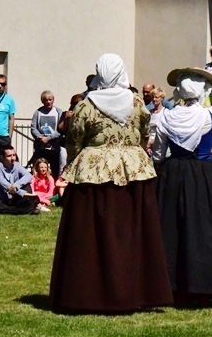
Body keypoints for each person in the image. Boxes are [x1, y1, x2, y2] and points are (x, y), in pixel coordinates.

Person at [50, 53, 172, 313]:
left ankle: (88, 292)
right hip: (133, 172)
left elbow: (74, 140)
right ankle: (136, 290)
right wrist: (130, 154)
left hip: (93, 173)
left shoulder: (86, 105)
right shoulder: (137, 102)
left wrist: (76, 163)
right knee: (132, 232)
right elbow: (143, 135)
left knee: (90, 235)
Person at [153, 67, 212, 302]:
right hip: (205, 175)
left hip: (174, 173)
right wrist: (210, 75)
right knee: (207, 227)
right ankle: (207, 282)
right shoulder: (210, 114)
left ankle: (173, 283)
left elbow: (158, 154)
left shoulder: (165, 116)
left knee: (172, 228)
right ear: (201, 90)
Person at [0, 146, 39, 215]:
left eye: (14, 155)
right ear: (2, 157)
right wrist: (23, 193)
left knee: (27, 186)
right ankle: (26, 210)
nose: (13, 158)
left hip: (15, 197)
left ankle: (22, 209)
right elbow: (8, 187)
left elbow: (28, 176)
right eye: (9, 156)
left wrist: (16, 185)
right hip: (2, 199)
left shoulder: (17, 166)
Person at [30, 90, 65, 178]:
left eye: (50, 100)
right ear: (42, 101)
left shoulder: (58, 112)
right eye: (46, 100)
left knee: (55, 169)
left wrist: (48, 139)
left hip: (54, 148)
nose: (48, 102)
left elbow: (61, 129)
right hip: (41, 147)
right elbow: (33, 128)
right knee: (39, 169)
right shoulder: (38, 113)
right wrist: (41, 138)